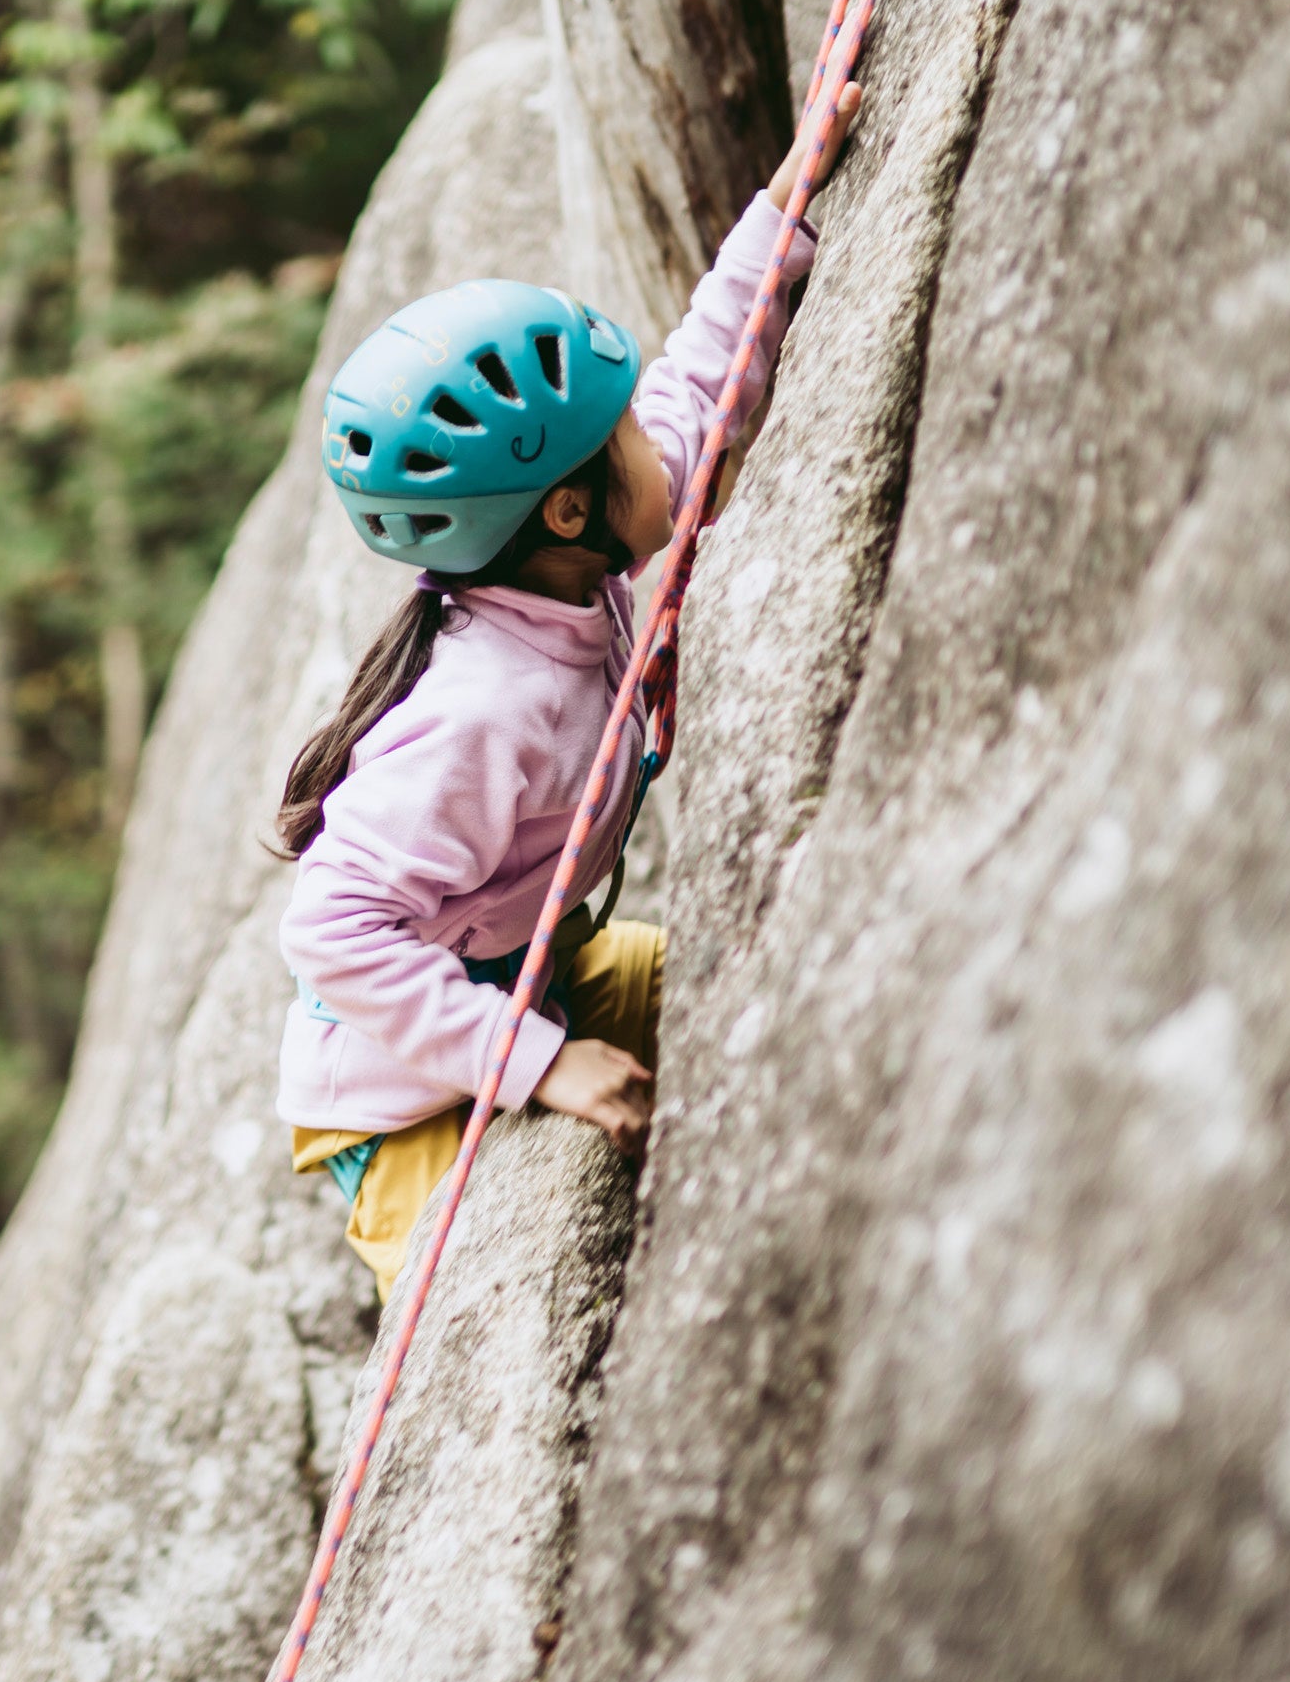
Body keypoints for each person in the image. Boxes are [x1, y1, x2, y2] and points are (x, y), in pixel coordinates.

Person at [273, 87, 863, 1300]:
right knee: (477, 1314)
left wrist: (787, 208)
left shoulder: (570, 564)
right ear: (563, 508)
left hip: (532, 973)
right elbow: (329, 926)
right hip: (402, 1092)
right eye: (624, 444)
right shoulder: (483, 708)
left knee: (765, 986)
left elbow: (699, 390)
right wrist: (536, 1063)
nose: (655, 442)